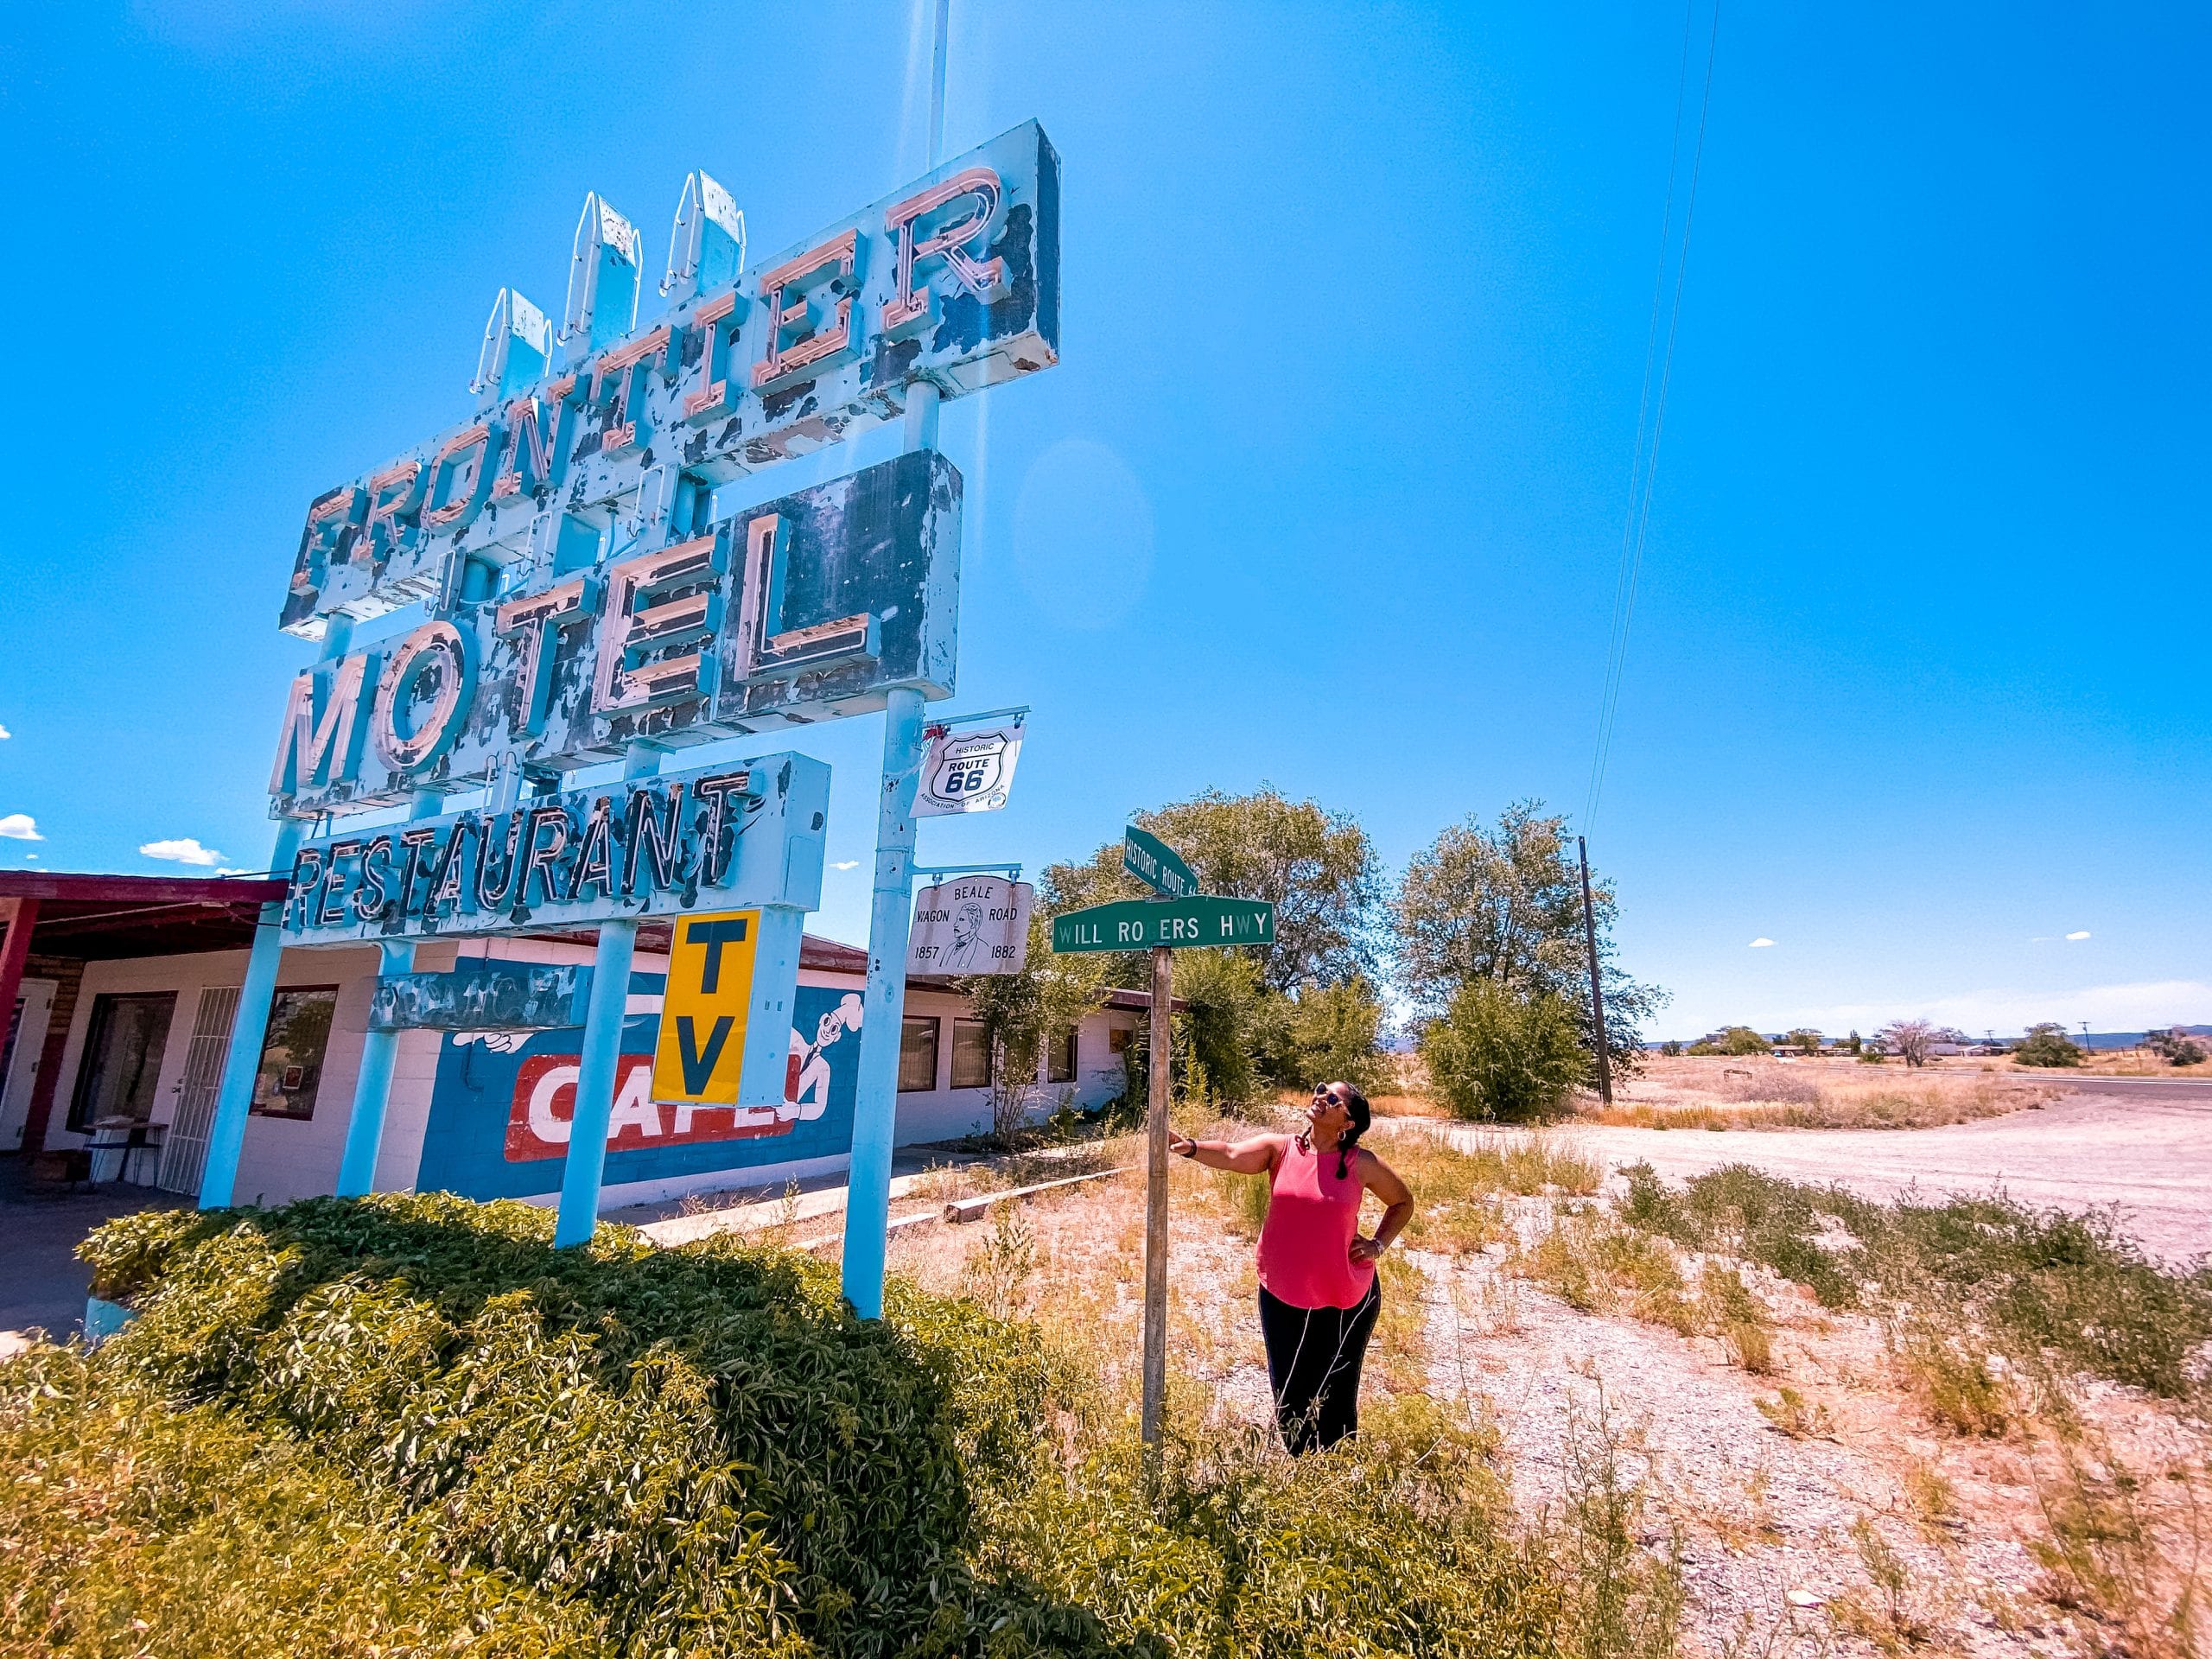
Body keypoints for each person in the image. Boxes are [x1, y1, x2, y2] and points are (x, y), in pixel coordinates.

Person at [1170, 1081, 1414, 1453]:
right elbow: (1232, 1153)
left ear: (1347, 1122)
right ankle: (1301, 1462)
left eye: (1332, 1098)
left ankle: (1336, 1466)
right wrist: (1190, 1147)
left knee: (1337, 1388)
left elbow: (1402, 1202)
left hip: (1346, 1297)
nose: (1320, 1097)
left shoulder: (1361, 1163)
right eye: (1320, 1089)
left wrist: (1377, 1244)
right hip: (1282, 1293)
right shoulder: (1282, 1149)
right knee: (1290, 1390)